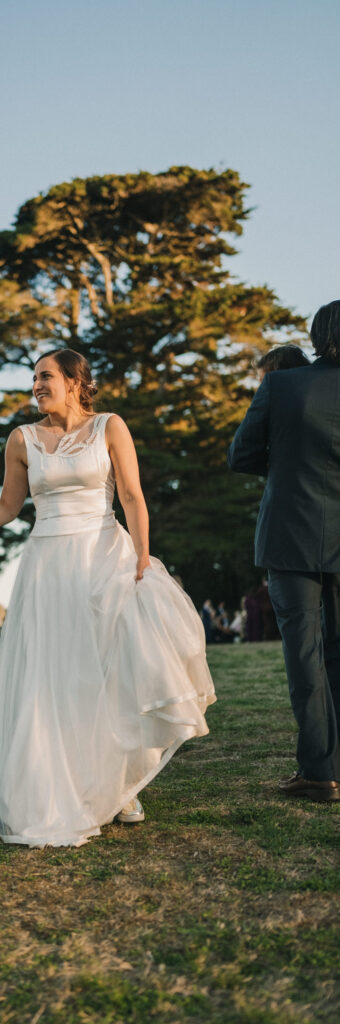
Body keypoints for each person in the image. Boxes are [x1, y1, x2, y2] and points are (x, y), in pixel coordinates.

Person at [0, 349, 215, 847]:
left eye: (46, 376)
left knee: (111, 671)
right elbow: (8, 505)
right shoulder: (21, 439)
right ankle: (59, 784)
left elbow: (131, 496)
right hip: (47, 567)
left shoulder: (110, 427)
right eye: (34, 377)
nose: (37, 385)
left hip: (104, 557)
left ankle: (120, 785)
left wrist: (142, 557)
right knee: (54, 675)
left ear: (75, 382)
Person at [228, 301, 340, 802]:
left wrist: (288, 462)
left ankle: (320, 772)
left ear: (317, 335)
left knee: (304, 653)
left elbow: (242, 455)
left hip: (291, 534)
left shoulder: (282, 385)